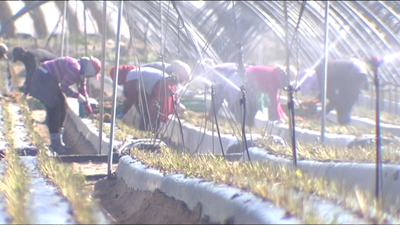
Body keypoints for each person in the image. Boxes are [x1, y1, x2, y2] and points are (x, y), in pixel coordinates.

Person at [27, 56, 101, 154]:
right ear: (89, 69)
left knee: (61, 106)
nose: (90, 77)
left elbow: (83, 92)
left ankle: (57, 142)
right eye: (92, 74)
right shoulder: (75, 68)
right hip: (43, 77)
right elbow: (64, 87)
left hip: (48, 78)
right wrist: (77, 96)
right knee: (56, 107)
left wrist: (89, 111)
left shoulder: (81, 73)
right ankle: (55, 144)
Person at [210, 64, 287, 126]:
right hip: (238, 85)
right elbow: (273, 98)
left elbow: (275, 98)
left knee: (248, 117)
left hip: (241, 84)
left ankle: (245, 123)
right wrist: (278, 117)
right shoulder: (274, 77)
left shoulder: (273, 74)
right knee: (243, 116)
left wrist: (281, 114)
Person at [109, 66, 178, 131]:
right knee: (154, 113)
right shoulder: (134, 72)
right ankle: (150, 135)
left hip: (161, 85)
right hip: (166, 83)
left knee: (152, 113)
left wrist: (123, 112)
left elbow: (132, 97)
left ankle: (146, 135)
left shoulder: (130, 77)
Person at [305, 58, 369, 125]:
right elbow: (327, 93)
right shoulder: (323, 72)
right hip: (356, 71)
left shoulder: (322, 76)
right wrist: (315, 101)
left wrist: (320, 114)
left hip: (353, 74)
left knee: (342, 106)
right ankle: (345, 123)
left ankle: (345, 124)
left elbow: (333, 100)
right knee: (343, 104)